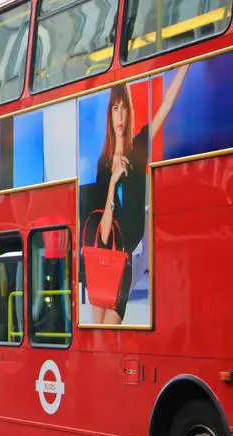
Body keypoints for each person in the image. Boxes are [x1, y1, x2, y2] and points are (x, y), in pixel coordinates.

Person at [83, 66, 188, 324]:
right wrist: (113, 180)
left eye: (123, 107)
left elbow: (165, 107)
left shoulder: (139, 146)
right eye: (115, 108)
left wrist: (186, 64)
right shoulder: (103, 164)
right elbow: (103, 233)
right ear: (109, 115)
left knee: (108, 334)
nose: (120, 115)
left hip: (123, 261)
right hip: (102, 260)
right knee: (97, 339)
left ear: (129, 111)